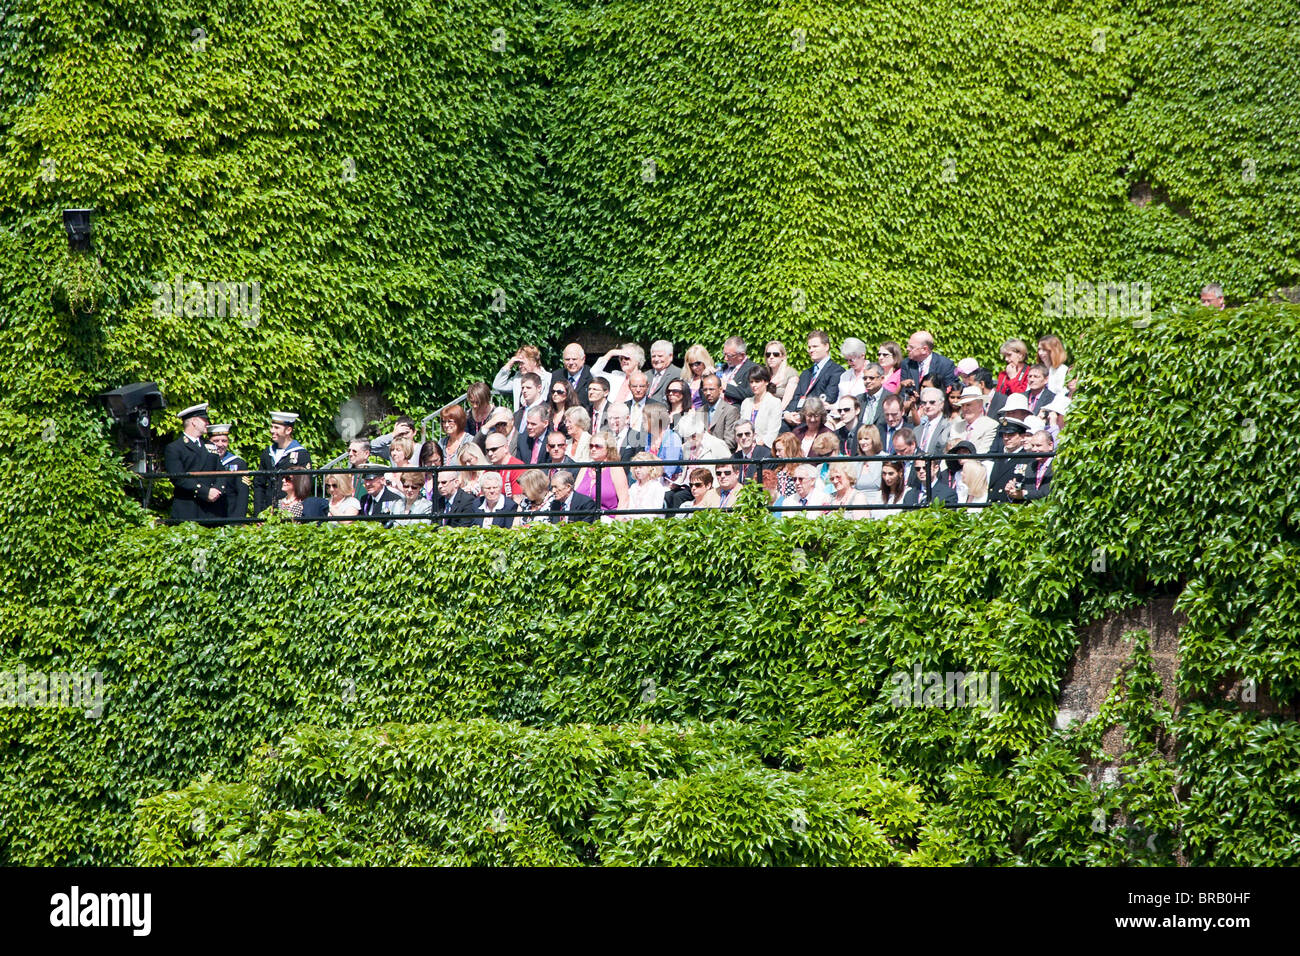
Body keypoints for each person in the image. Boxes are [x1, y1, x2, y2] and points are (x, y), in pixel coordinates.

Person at [165, 403, 226, 521]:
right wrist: (205, 492)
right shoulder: (175, 448)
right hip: (188, 508)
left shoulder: (209, 445)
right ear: (194, 421)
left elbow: (221, 471)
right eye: (204, 420)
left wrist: (217, 490)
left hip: (211, 509)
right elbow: (178, 478)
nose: (207, 423)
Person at [781, 330, 844, 430]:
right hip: (796, 418)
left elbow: (828, 398)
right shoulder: (806, 373)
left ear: (826, 346)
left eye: (815, 346)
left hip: (814, 419)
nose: (811, 350)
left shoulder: (836, 371)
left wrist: (802, 414)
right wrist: (787, 413)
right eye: (809, 347)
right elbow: (796, 397)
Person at [253, 411, 310, 514]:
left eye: (276, 428)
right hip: (268, 510)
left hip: (290, 510)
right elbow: (259, 484)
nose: (272, 430)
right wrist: (259, 512)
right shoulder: (267, 452)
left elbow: (304, 485)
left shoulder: (301, 454)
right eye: (272, 427)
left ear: (288, 430)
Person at [575, 429, 628, 517]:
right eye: (591, 446)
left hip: (606, 521)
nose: (593, 449)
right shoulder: (585, 468)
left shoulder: (615, 468)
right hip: (581, 519)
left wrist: (617, 524)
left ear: (608, 449)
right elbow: (575, 495)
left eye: (598, 446)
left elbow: (624, 499)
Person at [206, 422, 250, 519]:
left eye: (224, 441)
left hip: (229, 514)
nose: (220, 444)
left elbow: (243, 494)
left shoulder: (238, 463)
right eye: (216, 441)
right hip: (206, 514)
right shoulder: (203, 462)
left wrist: (238, 519)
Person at [492, 344, 551, 411]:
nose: (520, 366)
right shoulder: (518, 378)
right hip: (520, 418)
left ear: (534, 361)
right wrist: (510, 363)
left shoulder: (548, 378)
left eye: (522, 363)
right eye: (518, 363)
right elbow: (497, 385)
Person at [1004, 428, 1054, 502]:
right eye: (1033, 445)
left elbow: (1050, 493)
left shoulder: (1058, 465)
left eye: (1038, 445)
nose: (1034, 449)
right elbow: (1025, 488)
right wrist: (1014, 489)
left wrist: (1024, 494)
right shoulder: (1030, 466)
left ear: (1050, 445)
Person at [900, 330, 958, 394]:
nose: (907, 349)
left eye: (911, 347)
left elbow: (951, 392)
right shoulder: (907, 363)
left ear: (924, 349)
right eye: (908, 346)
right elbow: (903, 392)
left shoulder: (945, 365)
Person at [988, 420, 1032, 503]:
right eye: (1004, 434)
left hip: (1013, 507)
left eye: (1011, 435)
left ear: (1022, 436)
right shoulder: (1000, 457)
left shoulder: (1028, 459)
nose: (1006, 438)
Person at [738, 365, 782, 447]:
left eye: (757, 381)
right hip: (745, 446)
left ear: (766, 382)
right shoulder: (746, 402)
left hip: (764, 449)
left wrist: (757, 445)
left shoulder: (774, 402)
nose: (753, 385)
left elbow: (772, 433)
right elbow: (741, 428)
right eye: (751, 382)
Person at [641, 404, 683, 480]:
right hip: (650, 480)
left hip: (669, 483)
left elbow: (669, 469)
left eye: (644, 419)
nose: (642, 422)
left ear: (654, 419)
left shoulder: (672, 438)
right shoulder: (648, 437)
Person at [699, 373, 738, 450]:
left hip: (722, 457)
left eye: (711, 389)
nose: (708, 393)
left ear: (720, 390)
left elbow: (730, 442)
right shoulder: (699, 411)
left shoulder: (730, 411)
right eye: (705, 390)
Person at [954, 386, 999, 453]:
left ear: (980, 405)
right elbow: (950, 451)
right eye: (963, 405)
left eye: (968, 405)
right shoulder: (956, 426)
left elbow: (983, 453)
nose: (965, 409)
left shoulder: (991, 425)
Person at [717, 336, 759, 404]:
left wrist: (725, 386)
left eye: (729, 355)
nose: (725, 358)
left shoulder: (753, 369)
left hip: (737, 411)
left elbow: (751, 395)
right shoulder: (722, 368)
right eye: (724, 354)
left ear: (741, 355)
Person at [625, 452, 667, 520]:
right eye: (635, 468)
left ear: (650, 468)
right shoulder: (633, 487)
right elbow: (629, 507)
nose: (637, 470)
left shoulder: (657, 486)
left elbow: (656, 510)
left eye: (640, 467)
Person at [483, 431, 525, 498]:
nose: (490, 453)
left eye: (494, 449)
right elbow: (482, 495)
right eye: (487, 450)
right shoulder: (488, 470)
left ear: (506, 448)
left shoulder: (517, 467)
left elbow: (518, 500)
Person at [912, 388, 951, 456]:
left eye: (932, 402)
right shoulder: (916, 430)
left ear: (941, 404)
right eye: (924, 403)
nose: (927, 406)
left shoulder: (948, 426)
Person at [559, 343, 594, 408]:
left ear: (583, 359)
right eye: (567, 359)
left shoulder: (591, 376)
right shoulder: (557, 376)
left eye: (574, 359)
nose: (571, 363)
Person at [512, 372, 547, 437]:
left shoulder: (547, 410)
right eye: (522, 388)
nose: (524, 391)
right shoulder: (517, 414)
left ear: (539, 388)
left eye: (528, 387)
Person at [770, 432, 803, 500]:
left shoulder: (801, 469)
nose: (777, 453)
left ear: (789, 449)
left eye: (779, 450)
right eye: (776, 450)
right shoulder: (778, 469)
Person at [853, 426, 884, 496]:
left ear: (874, 439)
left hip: (878, 501)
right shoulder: (855, 461)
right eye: (860, 439)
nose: (862, 442)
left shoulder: (885, 459)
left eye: (866, 439)